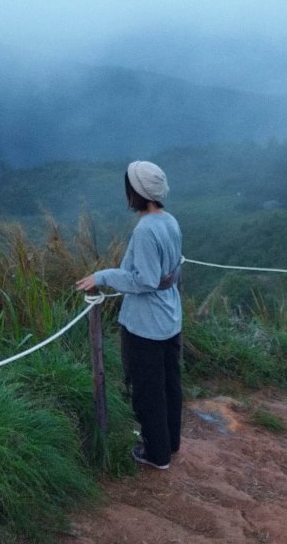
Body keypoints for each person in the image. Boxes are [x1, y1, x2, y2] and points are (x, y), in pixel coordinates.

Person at [76, 161, 183, 470]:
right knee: (169, 384)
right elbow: (171, 272)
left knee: (147, 390)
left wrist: (104, 276)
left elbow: (145, 280)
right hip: (170, 317)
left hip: (146, 324)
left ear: (135, 192)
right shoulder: (170, 221)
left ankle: (155, 454)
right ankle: (170, 442)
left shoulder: (146, 230)